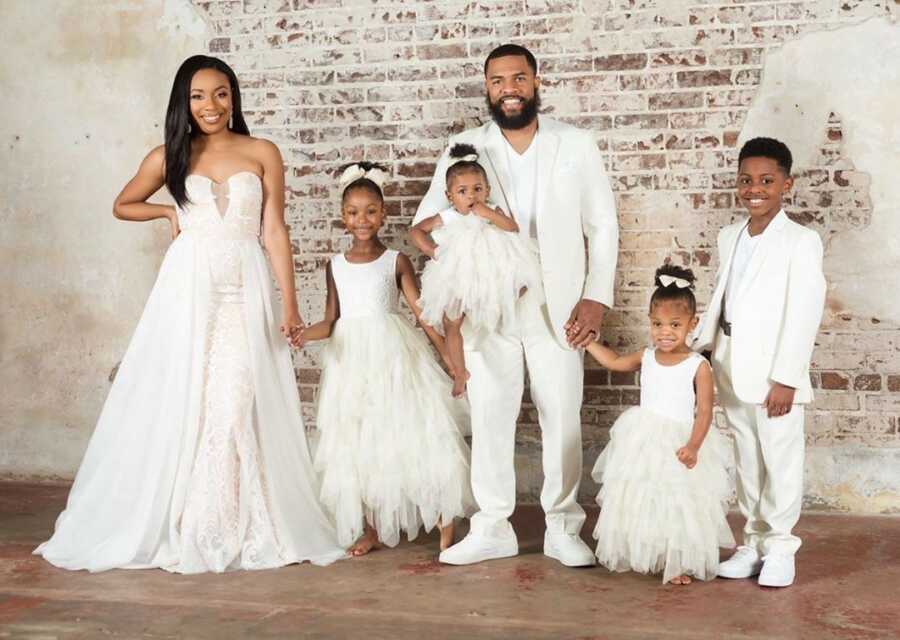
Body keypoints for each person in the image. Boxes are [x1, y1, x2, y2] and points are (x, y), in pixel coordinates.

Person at [34, 55, 346, 573]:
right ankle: (183, 521)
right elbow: (123, 203)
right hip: (187, 289)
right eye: (199, 96)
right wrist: (165, 212)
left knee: (233, 403)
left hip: (245, 288)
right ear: (184, 101)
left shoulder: (263, 151)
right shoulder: (169, 155)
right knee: (185, 401)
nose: (211, 106)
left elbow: (274, 231)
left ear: (234, 97)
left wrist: (290, 304)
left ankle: (221, 525)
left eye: (221, 93)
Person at [413, 43, 619, 567]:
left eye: (518, 78)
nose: (509, 88)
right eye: (498, 80)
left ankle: (563, 527)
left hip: (560, 305)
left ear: (535, 81)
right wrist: (460, 270)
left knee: (562, 416)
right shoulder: (464, 145)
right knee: (490, 414)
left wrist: (595, 297)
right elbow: (428, 221)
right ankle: (492, 527)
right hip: (488, 309)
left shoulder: (576, 144)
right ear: (487, 87)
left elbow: (603, 226)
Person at [298, 163, 473, 556]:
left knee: (414, 432)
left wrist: (451, 360)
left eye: (371, 210)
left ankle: (445, 520)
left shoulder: (395, 260)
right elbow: (330, 321)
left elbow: (423, 314)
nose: (363, 219)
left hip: (393, 357)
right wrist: (301, 334)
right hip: (350, 361)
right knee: (360, 441)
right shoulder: (335, 266)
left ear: (384, 214)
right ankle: (370, 528)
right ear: (343, 217)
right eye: (354, 212)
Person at [692, 137, 826, 588]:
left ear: (786, 184)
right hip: (731, 366)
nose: (755, 189)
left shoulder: (801, 241)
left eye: (767, 181)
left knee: (780, 459)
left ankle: (781, 546)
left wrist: (786, 378)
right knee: (747, 457)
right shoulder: (729, 236)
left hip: (774, 374)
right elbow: (725, 300)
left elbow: (804, 313)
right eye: (746, 180)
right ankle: (751, 541)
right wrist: (706, 353)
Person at [581, 265, 734, 585]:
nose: (665, 332)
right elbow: (613, 361)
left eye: (675, 325)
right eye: (658, 324)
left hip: (680, 441)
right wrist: (587, 341)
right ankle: (648, 553)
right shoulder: (647, 355)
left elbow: (704, 411)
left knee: (678, 502)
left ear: (692, 324)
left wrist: (693, 446)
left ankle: (676, 563)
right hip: (645, 439)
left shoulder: (698, 365)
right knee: (644, 497)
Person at [410, 142, 540, 397]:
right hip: (459, 274)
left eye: (478, 189)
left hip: (491, 269)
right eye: (463, 191)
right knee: (451, 321)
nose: (472, 196)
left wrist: (488, 214)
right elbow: (416, 231)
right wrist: (431, 250)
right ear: (450, 196)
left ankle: (493, 324)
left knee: (513, 292)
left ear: (487, 190)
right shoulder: (448, 216)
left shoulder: (491, 209)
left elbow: (511, 227)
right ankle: (460, 372)